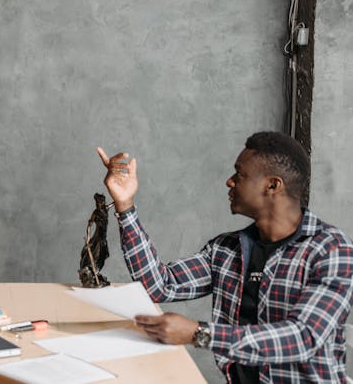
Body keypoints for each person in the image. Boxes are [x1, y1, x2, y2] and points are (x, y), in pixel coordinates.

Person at [97, 132, 353, 383]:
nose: (229, 182)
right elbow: (160, 285)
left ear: (272, 185)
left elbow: (303, 337)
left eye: (240, 174)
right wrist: (125, 205)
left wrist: (199, 334)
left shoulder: (331, 250)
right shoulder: (227, 248)